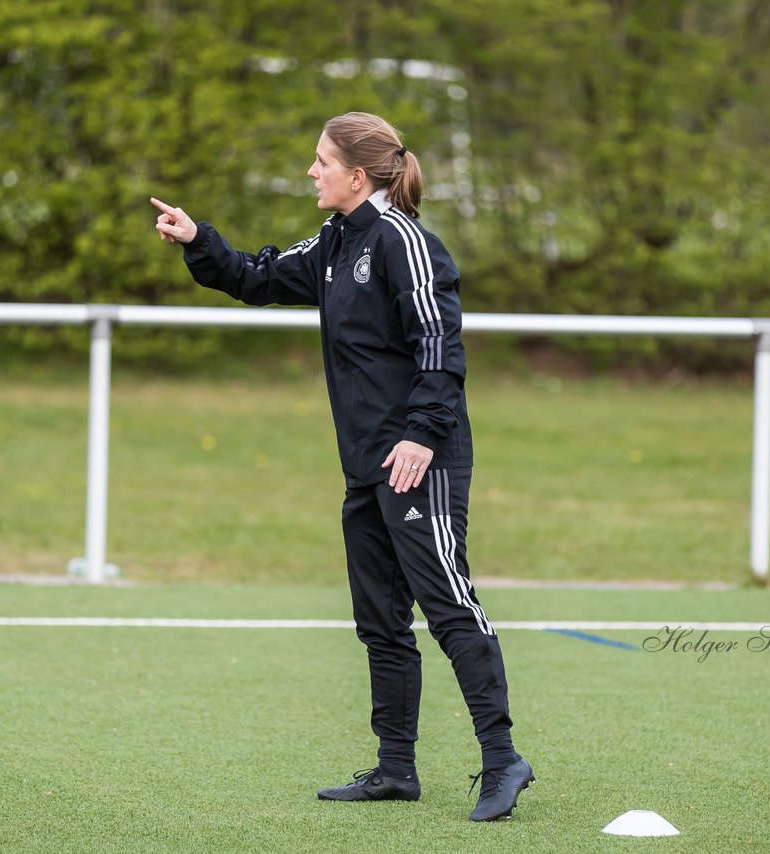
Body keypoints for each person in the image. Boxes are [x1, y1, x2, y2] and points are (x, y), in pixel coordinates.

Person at [149, 112, 533, 822]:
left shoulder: (404, 243)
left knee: (447, 604)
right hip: (365, 463)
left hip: (422, 458)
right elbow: (257, 277)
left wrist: (420, 436)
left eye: (321, 161)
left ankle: (502, 759)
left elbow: (440, 348)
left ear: (357, 175)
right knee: (379, 619)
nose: (310, 171)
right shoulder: (337, 240)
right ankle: (396, 768)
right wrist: (200, 240)